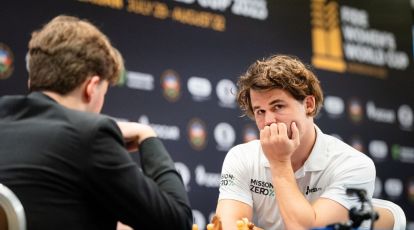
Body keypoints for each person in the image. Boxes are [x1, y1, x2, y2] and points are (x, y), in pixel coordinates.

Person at [0, 15, 192, 230]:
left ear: (31, 80)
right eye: (104, 93)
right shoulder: (89, 136)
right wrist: (147, 136)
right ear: (91, 88)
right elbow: (177, 222)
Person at [215, 54, 376, 230]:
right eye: (260, 111)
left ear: (309, 105)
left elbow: (307, 229)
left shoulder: (355, 165)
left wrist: (279, 162)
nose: (269, 121)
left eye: (278, 106)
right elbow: (226, 227)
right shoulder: (241, 157)